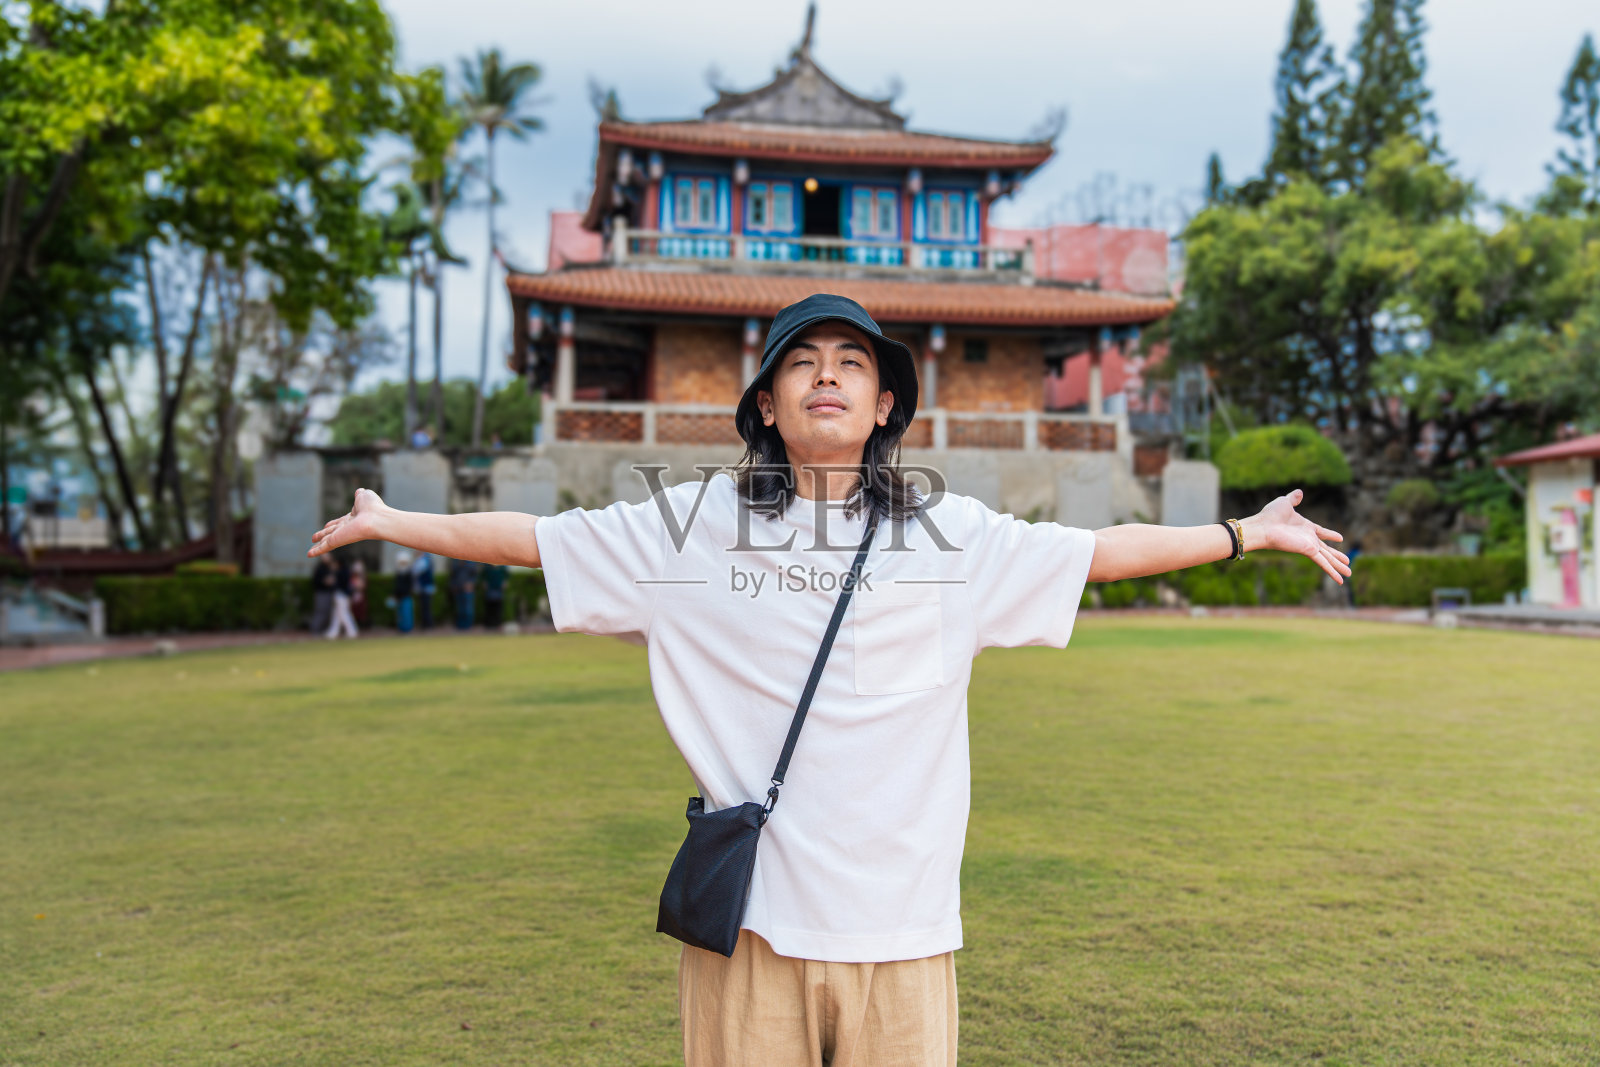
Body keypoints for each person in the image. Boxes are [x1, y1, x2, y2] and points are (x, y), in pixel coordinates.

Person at [307, 293, 1349, 1066]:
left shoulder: (950, 536)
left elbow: (1097, 550)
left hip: (903, 932)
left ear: (884, 400)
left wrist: (1240, 532)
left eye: (851, 361)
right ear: (763, 402)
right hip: (749, 934)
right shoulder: (691, 527)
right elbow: (534, 537)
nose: (826, 375)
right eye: (799, 361)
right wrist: (395, 520)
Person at [324, 556, 358, 640]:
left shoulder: (341, 572)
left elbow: (336, 583)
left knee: (343, 614)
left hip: (341, 595)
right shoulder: (345, 571)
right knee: (336, 614)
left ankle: (352, 632)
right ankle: (333, 632)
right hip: (342, 595)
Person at [449, 556, 480, 630]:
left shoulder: (471, 561)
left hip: (467, 589)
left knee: (468, 609)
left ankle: (468, 626)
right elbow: (453, 575)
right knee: (460, 609)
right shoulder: (455, 561)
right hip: (458, 589)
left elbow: (475, 575)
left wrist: (471, 584)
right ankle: (460, 626)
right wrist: (453, 585)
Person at [309, 556, 336, 634]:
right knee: (320, 611)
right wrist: (324, 581)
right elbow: (315, 581)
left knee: (327, 612)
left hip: (328, 592)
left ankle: (322, 629)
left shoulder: (330, 568)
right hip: (321, 592)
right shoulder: (319, 569)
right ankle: (315, 629)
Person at [393, 551, 416, 633]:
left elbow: (410, 586)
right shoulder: (399, 573)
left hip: (406, 596)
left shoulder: (409, 573)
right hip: (400, 597)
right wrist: (396, 595)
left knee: (407, 614)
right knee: (400, 614)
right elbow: (397, 585)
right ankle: (401, 628)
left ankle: (407, 629)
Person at [413, 552, 436, 629]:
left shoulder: (424, 560)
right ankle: (426, 624)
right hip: (424, 588)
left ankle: (427, 625)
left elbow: (416, 572)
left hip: (425, 588)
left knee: (426, 607)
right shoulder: (425, 559)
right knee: (424, 607)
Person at [483, 562, 509, 629]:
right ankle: (489, 624)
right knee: (489, 605)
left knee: (498, 606)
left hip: (499, 588)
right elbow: (483, 575)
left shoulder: (503, 566)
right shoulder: (487, 565)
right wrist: (484, 582)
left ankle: (497, 623)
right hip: (490, 588)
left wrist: (505, 582)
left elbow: (507, 575)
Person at [349, 558, 369, 627]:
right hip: (354, 596)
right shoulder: (352, 576)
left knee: (361, 611)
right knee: (354, 611)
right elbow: (351, 585)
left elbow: (364, 586)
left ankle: (361, 625)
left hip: (361, 595)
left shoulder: (363, 576)